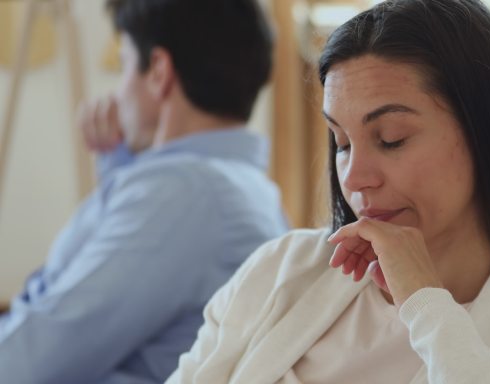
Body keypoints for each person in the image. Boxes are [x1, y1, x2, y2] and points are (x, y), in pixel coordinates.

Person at [167, 0, 490, 383]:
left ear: (487, 135)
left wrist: (426, 304)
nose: (355, 177)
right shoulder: (279, 272)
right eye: (342, 143)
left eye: (392, 138)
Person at [0, 0, 288, 383]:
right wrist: (121, 165)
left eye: (123, 66)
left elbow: (30, 360)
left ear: (158, 72)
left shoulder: (183, 194)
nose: (117, 94)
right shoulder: (245, 188)